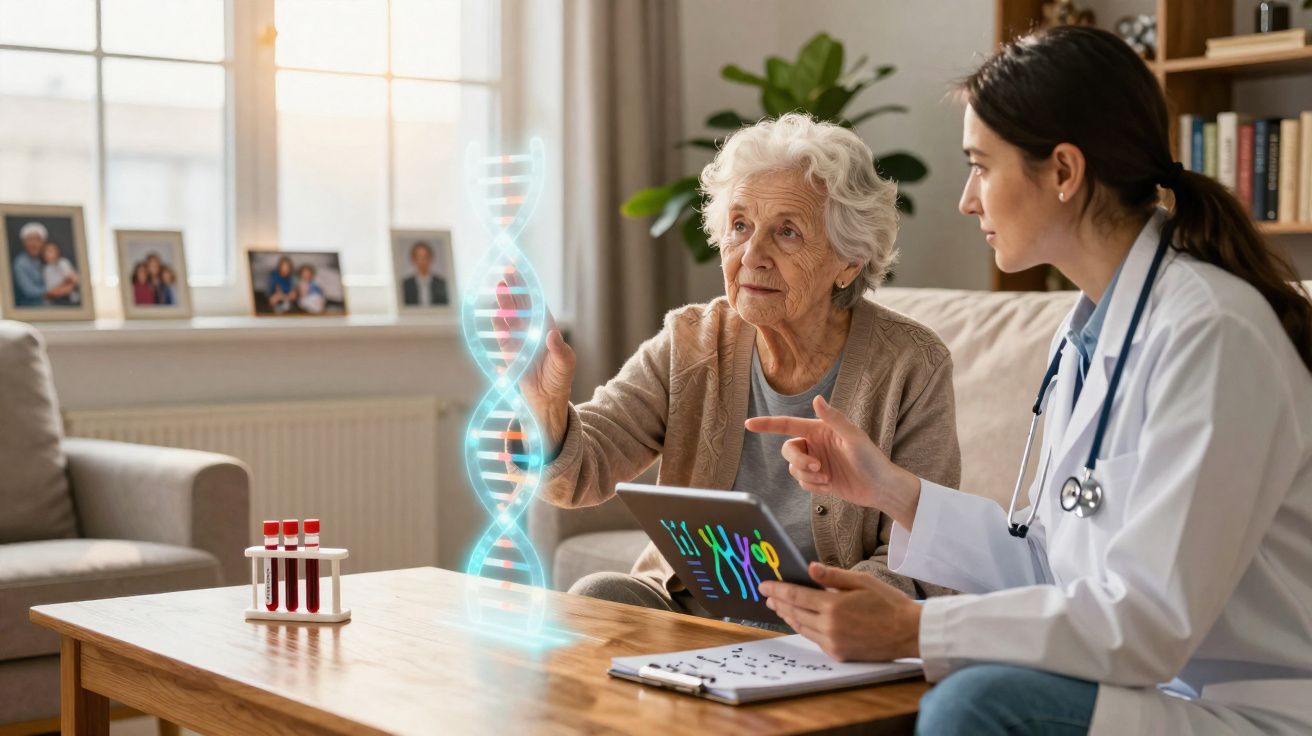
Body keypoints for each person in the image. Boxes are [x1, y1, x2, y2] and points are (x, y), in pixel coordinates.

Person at [749, 26, 1312, 735]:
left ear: (1064, 173)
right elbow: (1050, 566)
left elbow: (1147, 622)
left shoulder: (1213, 335)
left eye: (981, 166)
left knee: (972, 703)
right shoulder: (1089, 333)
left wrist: (911, 630)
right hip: (1151, 688)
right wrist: (886, 487)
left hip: (1246, 707)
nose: (967, 199)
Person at [507, 113, 961, 617]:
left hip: (828, 622)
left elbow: (925, 549)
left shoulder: (912, 365)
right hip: (691, 609)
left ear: (848, 261)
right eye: (740, 226)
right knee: (597, 598)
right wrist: (547, 413)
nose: (752, 255)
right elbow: (583, 472)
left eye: (787, 232)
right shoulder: (692, 342)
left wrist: (817, 609)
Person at [11, 222, 49, 307]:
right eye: (30, 240)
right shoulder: (20, 263)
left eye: (38, 240)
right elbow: (30, 291)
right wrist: (56, 291)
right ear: (24, 242)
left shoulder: (47, 258)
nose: (34, 244)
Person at [401, 241, 448, 306]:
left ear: (431, 258)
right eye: (419, 257)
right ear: (413, 259)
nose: (423, 261)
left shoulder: (441, 283)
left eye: (426, 257)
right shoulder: (405, 284)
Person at [40, 241, 79, 305]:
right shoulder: (46, 269)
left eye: (50, 251)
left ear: (57, 252)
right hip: (53, 302)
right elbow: (49, 292)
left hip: (69, 300)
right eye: (45, 252)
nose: (47, 254)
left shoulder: (63, 263)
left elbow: (73, 281)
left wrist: (58, 290)